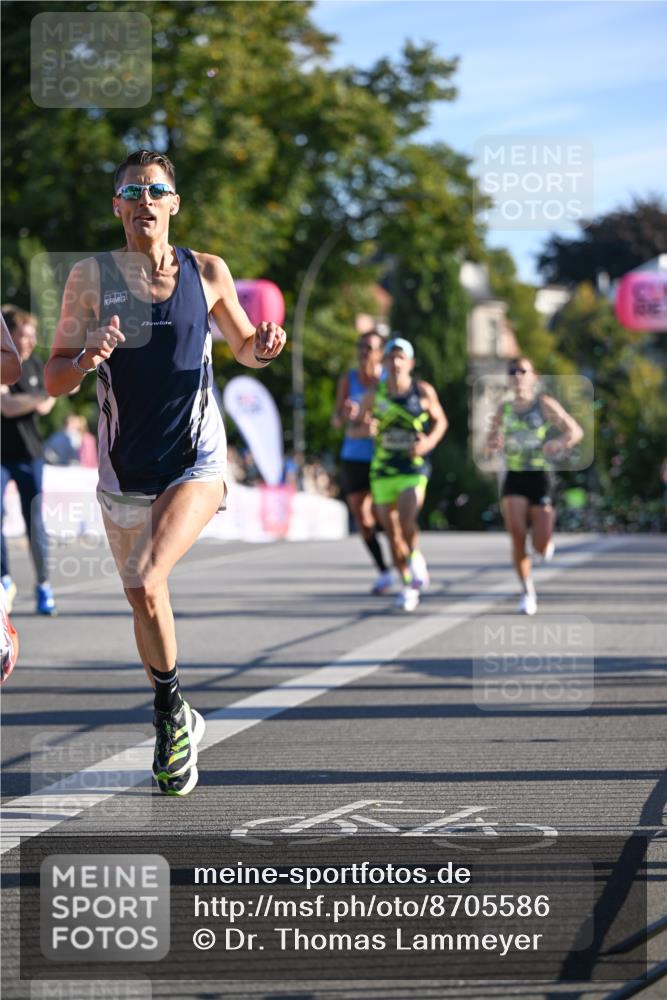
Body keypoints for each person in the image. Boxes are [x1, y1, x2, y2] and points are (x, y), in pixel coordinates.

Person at [44, 149, 286, 796]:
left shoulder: (207, 271)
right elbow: (55, 376)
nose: (143, 201)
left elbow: (242, 346)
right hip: (124, 467)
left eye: (155, 191)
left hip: (194, 457)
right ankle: (175, 706)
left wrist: (262, 349)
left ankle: (165, 718)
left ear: (174, 203)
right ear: (116, 207)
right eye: (131, 192)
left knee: (148, 575)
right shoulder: (91, 278)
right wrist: (86, 359)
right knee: (144, 596)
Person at [485, 356, 583, 615]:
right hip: (514, 476)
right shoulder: (504, 409)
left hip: (540, 477)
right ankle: (526, 591)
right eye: (512, 371)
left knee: (540, 546)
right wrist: (494, 443)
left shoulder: (544, 404)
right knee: (517, 533)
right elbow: (489, 443)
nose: (517, 376)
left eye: (522, 371)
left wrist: (558, 443)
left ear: (533, 377)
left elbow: (575, 431)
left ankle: (544, 543)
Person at [360, 337, 448, 612]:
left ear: (410, 363)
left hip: (413, 467)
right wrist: (366, 428)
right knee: (392, 533)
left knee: (407, 519)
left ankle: (416, 557)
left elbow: (441, 421)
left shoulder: (422, 391)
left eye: (401, 357)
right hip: (383, 470)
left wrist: (428, 443)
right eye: (390, 358)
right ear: (384, 362)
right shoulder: (374, 394)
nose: (395, 363)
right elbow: (357, 427)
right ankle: (408, 583)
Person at [1, 305, 57, 615]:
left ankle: (43, 584)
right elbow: (7, 406)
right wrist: (41, 396)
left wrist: (45, 395)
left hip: (30, 455)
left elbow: (48, 404)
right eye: (25, 335)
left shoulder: (36, 364)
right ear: (10, 337)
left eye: (34, 335)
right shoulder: (3, 363)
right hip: (2, 456)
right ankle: (4, 580)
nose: (32, 341)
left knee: (35, 522)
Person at [332, 329, 393, 594]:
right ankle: (384, 571)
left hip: (382, 456)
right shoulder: (349, 379)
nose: (364, 352)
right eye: (361, 346)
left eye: (370, 347)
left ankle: (405, 560)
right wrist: (345, 416)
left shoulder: (387, 380)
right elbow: (335, 421)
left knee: (386, 515)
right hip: (354, 455)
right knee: (363, 518)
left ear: (380, 352)